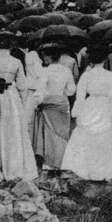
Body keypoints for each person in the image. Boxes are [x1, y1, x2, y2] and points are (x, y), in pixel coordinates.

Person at [0, 31, 38, 181]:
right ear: (10, 47)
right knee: (12, 130)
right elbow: (23, 85)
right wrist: (21, 101)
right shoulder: (15, 61)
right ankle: (12, 165)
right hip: (11, 95)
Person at [61, 43, 112, 181]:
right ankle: (101, 172)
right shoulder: (110, 76)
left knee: (88, 137)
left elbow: (80, 97)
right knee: (103, 139)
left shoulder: (86, 76)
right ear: (105, 59)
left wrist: (76, 113)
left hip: (90, 105)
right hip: (104, 106)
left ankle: (87, 171)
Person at [33, 44, 76, 175]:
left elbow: (39, 90)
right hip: (62, 103)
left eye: (45, 56)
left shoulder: (45, 71)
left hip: (49, 103)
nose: (43, 58)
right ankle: (63, 161)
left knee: (50, 133)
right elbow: (71, 90)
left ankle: (50, 163)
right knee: (62, 133)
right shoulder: (66, 70)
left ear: (50, 57)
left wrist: (38, 102)